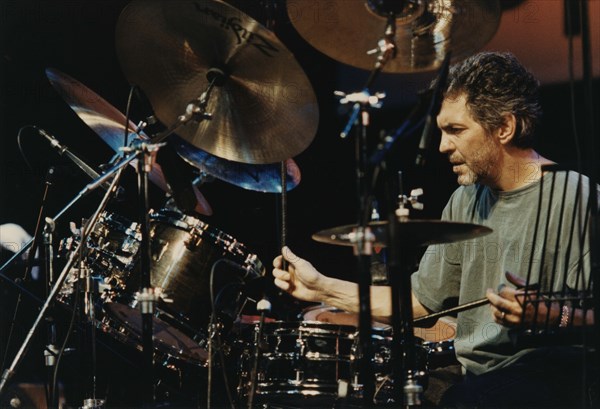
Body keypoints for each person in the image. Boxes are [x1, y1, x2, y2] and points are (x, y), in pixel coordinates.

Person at [272, 52, 596, 407]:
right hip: (477, 376)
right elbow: (418, 303)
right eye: (441, 131)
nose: (442, 146)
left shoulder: (575, 197)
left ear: (505, 127)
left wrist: (551, 316)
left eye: (456, 131)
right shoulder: (465, 199)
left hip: (555, 376)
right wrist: (321, 286)